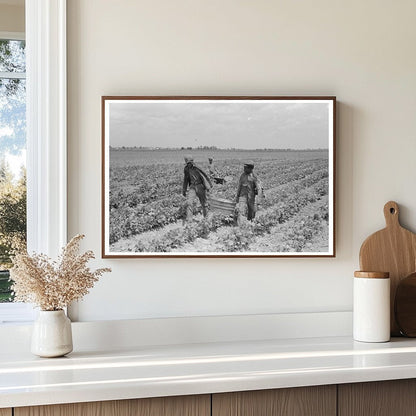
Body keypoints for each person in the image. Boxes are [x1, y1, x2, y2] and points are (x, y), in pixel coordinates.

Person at [182, 155, 212, 222]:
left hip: (200, 186)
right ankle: (189, 220)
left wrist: (207, 187)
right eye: (187, 163)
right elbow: (186, 179)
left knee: (204, 203)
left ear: (192, 162)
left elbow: (204, 176)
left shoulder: (197, 168)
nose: (189, 164)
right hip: (192, 187)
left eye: (190, 163)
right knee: (189, 202)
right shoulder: (186, 169)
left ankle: (206, 219)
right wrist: (184, 190)